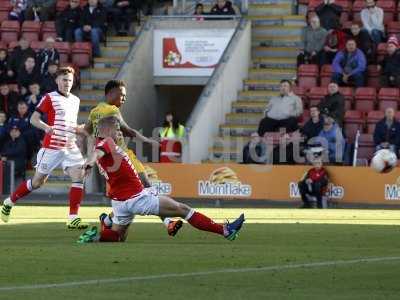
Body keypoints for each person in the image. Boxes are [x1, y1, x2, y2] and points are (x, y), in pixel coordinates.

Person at [77, 116, 245, 243]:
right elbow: (96, 154)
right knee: (184, 210)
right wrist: (89, 163)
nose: (120, 133)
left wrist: (91, 161)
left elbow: (96, 153)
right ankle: (225, 230)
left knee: (118, 237)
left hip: (120, 202)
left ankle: (95, 236)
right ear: (107, 130)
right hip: (137, 199)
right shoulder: (107, 142)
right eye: (117, 129)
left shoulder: (100, 144)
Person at [84, 80, 181, 236]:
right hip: (121, 156)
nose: (124, 99)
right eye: (121, 95)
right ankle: (168, 222)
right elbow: (129, 131)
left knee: (127, 197)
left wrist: (92, 152)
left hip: (107, 159)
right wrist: (149, 141)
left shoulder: (94, 112)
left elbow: (87, 131)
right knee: (145, 185)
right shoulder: (112, 110)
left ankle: (108, 221)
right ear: (110, 93)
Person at [1, 67, 89, 229]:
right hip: (52, 147)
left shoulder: (75, 100)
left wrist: (80, 129)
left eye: (69, 80)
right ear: (57, 81)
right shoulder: (50, 98)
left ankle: (72, 217)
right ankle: (9, 202)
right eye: (64, 80)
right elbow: (33, 119)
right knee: (37, 182)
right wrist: (46, 127)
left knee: (79, 176)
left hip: (70, 145)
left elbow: (70, 124)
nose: (67, 83)